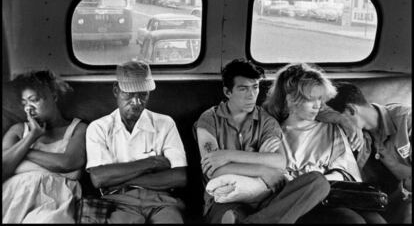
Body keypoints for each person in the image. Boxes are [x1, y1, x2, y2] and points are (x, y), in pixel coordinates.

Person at [195, 58, 334, 224]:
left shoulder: (266, 120)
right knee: (230, 217)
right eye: (243, 89)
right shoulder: (209, 119)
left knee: (318, 182)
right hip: (224, 198)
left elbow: (279, 161)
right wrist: (263, 170)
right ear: (228, 92)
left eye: (255, 87)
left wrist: (228, 155)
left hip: (265, 196)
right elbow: (214, 171)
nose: (251, 95)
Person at [263, 63, 385, 224]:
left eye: (320, 99)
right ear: (291, 100)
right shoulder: (272, 132)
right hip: (302, 201)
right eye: (311, 100)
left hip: (336, 194)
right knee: (352, 221)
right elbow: (277, 178)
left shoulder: (332, 129)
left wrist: (323, 181)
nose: (318, 106)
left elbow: (346, 172)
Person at [85, 60, 188, 224]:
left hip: (161, 201)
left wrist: (120, 179)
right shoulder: (99, 128)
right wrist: (152, 162)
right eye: (129, 94)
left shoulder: (165, 123)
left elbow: (179, 177)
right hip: (119, 202)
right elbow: (99, 178)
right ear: (116, 90)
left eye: (143, 94)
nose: (137, 102)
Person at [2, 70, 87, 223]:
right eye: (24, 104)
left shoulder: (78, 128)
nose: (28, 109)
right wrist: (30, 138)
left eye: (33, 100)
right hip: (13, 195)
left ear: (54, 97)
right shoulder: (19, 130)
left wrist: (23, 151)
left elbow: (68, 162)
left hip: (55, 198)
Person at [327, 81, 412, 223]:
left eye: (339, 121)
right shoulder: (356, 136)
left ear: (352, 110)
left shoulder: (406, 121)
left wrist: (394, 166)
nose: (338, 127)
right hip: (376, 199)